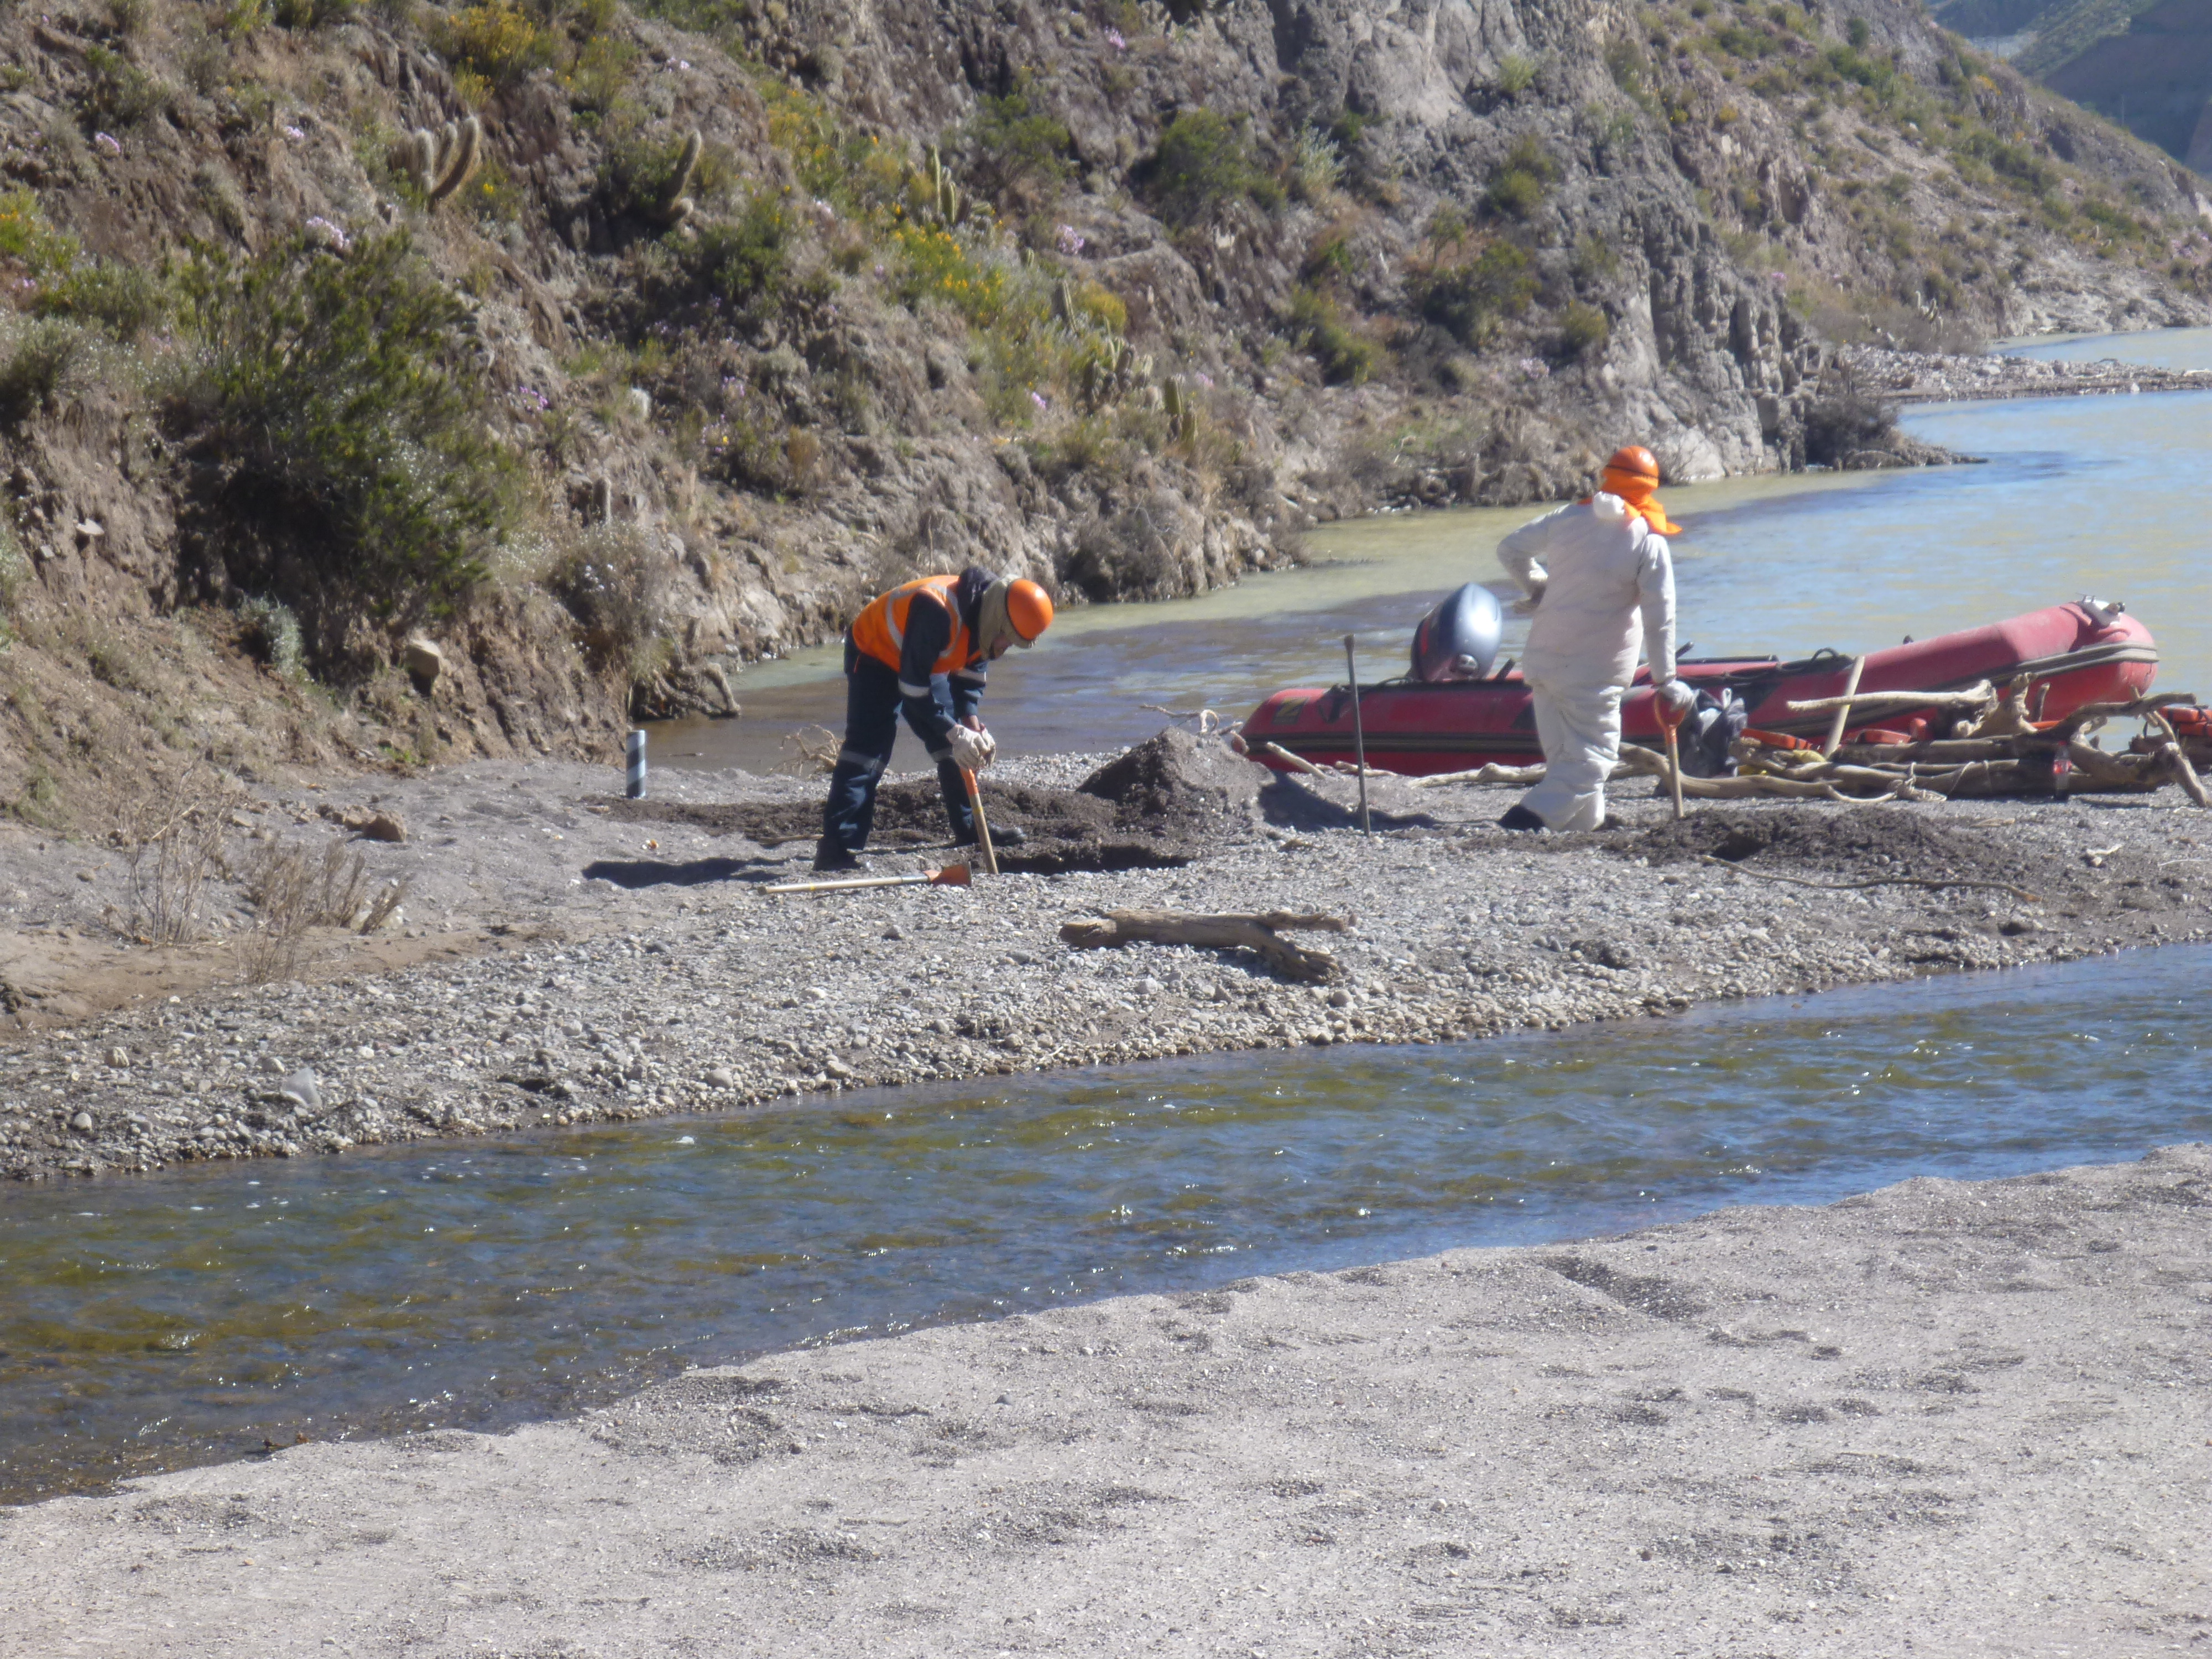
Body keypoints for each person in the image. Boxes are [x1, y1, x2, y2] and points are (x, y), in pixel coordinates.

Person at [1493, 445, 1695, 832]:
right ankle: (1522, 822)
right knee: (1596, 758)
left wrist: (1538, 587)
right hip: (1594, 671)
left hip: (1543, 659)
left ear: (1607, 476)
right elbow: (1660, 616)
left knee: (1565, 757)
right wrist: (1666, 680)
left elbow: (1510, 550)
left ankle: (1585, 827)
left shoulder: (1566, 517)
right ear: (1650, 488)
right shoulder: (1647, 541)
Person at [815, 567, 1055, 872]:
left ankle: (969, 827)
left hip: (922, 662)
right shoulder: (937, 610)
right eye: (1007, 640)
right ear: (998, 622)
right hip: (875, 653)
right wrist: (955, 732)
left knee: (956, 746)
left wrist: (970, 723)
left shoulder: (988, 617)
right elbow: (913, 690)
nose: (1004, 648)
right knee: (868, 751)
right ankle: (835, 848)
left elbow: (970, 675)